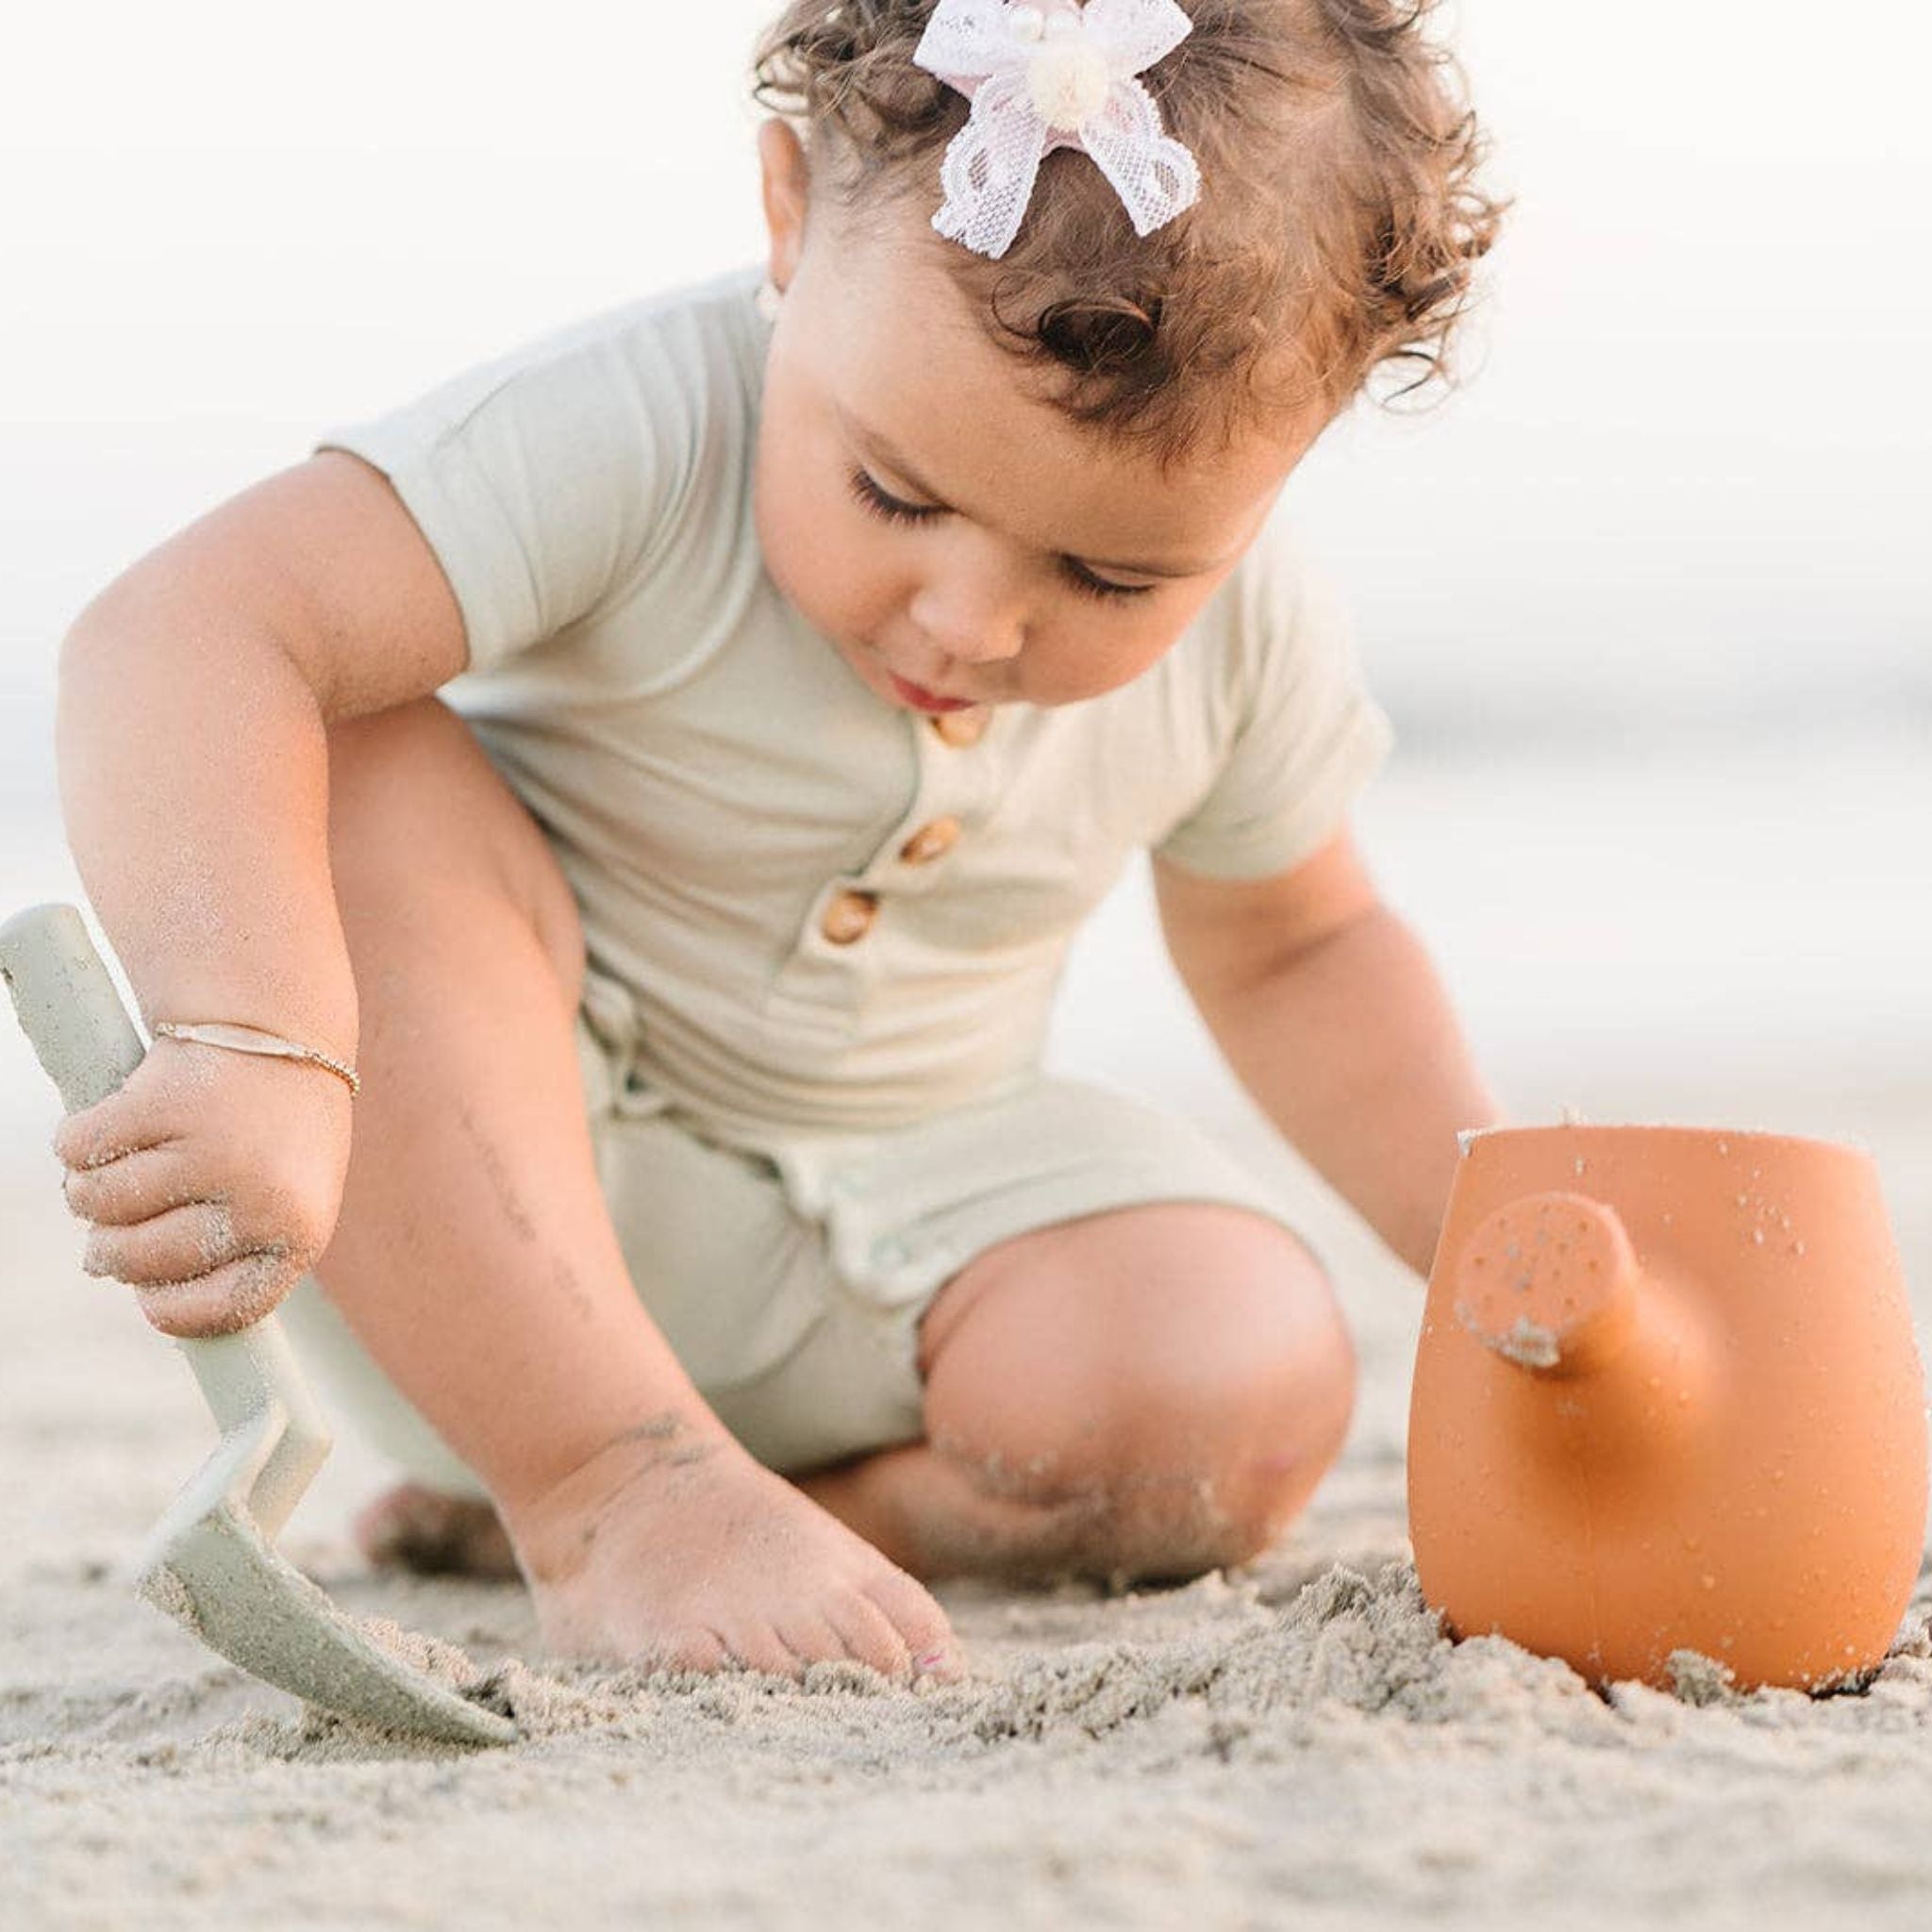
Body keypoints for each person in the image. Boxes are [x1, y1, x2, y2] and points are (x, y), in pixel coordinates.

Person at [51, 0, 1505, 1682]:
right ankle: (597, 1485)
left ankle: (772, 1502)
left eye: (1109, 579)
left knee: (1237, 1371)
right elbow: (184, 631)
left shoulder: (1257, 632)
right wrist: (260, 1041)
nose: (966, 622)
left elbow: (1300, 949)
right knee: (360, 746)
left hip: (899, 1242)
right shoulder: (654, 427)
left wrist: (1505, 1264)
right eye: (894, 492)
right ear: (790, 222)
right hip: (484, 1210)